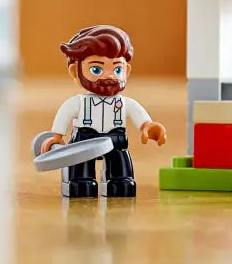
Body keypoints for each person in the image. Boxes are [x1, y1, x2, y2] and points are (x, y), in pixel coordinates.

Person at [41, 25, 166, 198]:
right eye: (96, 69)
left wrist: (147, 126)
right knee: (81, 170)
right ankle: (79, 182)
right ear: (75, 71)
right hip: (85, 139)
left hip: (116, 139)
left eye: (117, 69)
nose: (109, 76)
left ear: (127, 71)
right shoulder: (78, 103)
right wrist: (56, 137)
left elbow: (139, 115)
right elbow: (64, 115)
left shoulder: (124, 103)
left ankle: (119, 181)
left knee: (120, 166)